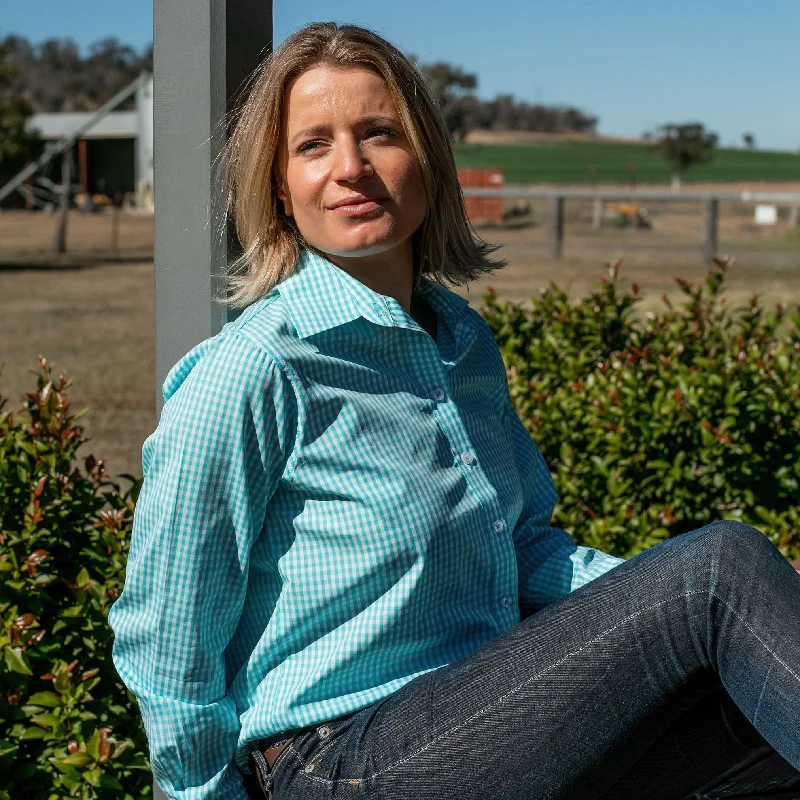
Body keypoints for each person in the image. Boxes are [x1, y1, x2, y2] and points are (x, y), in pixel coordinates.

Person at [108, 22, 800, 800]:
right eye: (312, 145)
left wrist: (746, 607)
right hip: (339, 761)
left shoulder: (463, 345)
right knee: (721, 568)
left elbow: (528, 549)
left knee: (751, 713)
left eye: (379, 134)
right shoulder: (256, 369)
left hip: (488, 723)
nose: (350, 168)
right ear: (277, 186)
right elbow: (166, 637)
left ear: (427, 159)